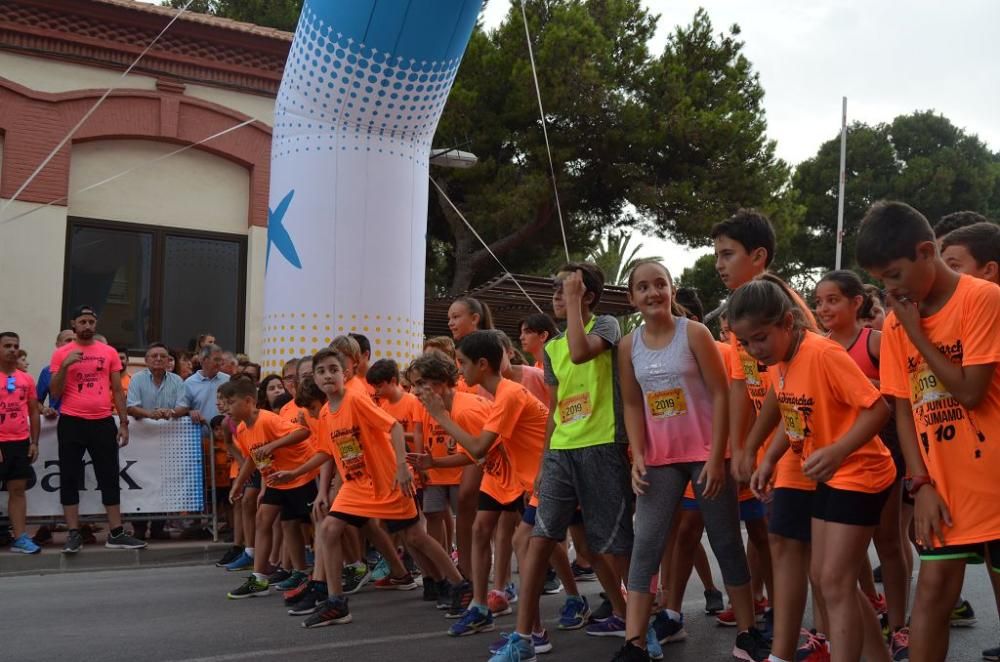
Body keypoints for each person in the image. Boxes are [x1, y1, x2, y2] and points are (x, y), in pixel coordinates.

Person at [857, 201, 1000, 662]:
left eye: (895, 274)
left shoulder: (981, 298)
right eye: (881, 279)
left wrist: (917, 334)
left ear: (925, 252)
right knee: (933, 597)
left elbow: (971, 392)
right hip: (941, 486)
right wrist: (919, 483)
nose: (889, 288)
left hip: (994, 480)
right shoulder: (899, 320)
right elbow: (905, 410)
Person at [610, 261, 765, 662]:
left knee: (727, 540)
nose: (652, 293)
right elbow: (631, 402)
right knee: (645, 544)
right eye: (642, 287)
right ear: (632, 298)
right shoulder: (629, 345)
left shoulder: (695, 333)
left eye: (659, 284)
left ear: (672, 289)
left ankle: (747, 633)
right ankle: (634, 643)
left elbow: (721, 395)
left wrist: (718, 457)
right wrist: (638, 454)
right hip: (660, 459)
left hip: (705, 455)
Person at [490, 262, 634, 662]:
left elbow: (581, 351)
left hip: (604, 446)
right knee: (538, 537)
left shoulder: (606, 325)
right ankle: (524, 638)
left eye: (564, 291)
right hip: (561, 453)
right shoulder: (551, 350)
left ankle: (637, 627)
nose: (556, 297)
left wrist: (574, 302)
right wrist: (543, 462)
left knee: (613, 546)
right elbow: (554, 410)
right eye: (555, 292)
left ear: (586, 296)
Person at [285, 348, 464, 628]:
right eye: (321, 371)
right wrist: (296, 473)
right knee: (330, 529)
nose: (327, 375)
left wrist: (403, 467)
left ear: (344, 374)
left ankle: (458, 585)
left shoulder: (355, 400)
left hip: (387, 482)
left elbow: (392, 427)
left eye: (333, 369)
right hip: (356, 487)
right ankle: (336, 603)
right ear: (315, 380)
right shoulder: (326, 415)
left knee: (416, 538)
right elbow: (326, 452)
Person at [814, 270, 911, 658]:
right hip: (836, 461)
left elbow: (899, 400)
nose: (823, 308)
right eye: (819, 301)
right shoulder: (819, 347)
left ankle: (899, 625)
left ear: (857, 303)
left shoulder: (875, 343)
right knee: (845, 561)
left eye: (832, 300)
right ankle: (864, 620)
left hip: (882, 454)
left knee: (888, 541)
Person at [49, 305, 146, 553]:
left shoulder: (108, 352)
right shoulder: (62, 353)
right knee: (70, 476)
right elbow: (54, 392)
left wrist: (123, 423)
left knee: (109, 476)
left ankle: (116, 532)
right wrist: (65, 367)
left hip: (102, 421)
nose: (87, 326)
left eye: (91, 322)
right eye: (82, 322)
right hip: (71, 421)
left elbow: (117, 390)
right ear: (74, 324)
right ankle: (73, 532)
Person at [224, 378, 313, 599]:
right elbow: (252, 459)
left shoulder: (268, 420)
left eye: (231, 402)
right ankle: (260, 578)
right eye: (225, 403)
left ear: (248, 401)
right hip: (277, 479)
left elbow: (303, 432)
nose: (227, 408)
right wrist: (238, 484)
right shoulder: (243, 429)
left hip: (301, 474)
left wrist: (273, 445)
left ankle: (340, 569)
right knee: (267, 519)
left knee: (312, 525)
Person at [0, 332, 42, 554]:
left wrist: (33, 442)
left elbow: (34, 411)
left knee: (17, 491)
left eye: (16, 346)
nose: (13, 350)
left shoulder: (25, 379)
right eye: (7, 345)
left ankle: (20, 538)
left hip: (19, 442)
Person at [176, 344, 230, 433]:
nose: (220, 363)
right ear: (204, 360)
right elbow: (181, 409)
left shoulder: (228, 380)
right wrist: (190, 412)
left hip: (225, 438)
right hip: (199, 438)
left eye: (221, 360)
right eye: (216, 360)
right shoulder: (189, 383)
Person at [126, 343, 185, 420]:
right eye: (154, 356)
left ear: (168, 360)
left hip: (169, 429)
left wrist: (171, 411)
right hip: (144, 429)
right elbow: (131, 408)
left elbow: (184, 406)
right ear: (146, 360)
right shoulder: (136, 379)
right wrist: (149, 414)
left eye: (163, 356)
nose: (159, 359)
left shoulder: (177, 380)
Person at [36, 329, 75, 419]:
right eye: (68, 340)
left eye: (75, 341)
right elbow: (36, 401)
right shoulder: (47, 371)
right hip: (60, 422)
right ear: (57, 345)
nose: (73, 344)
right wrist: (45, 410)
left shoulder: (87, 368)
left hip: (87, 422)